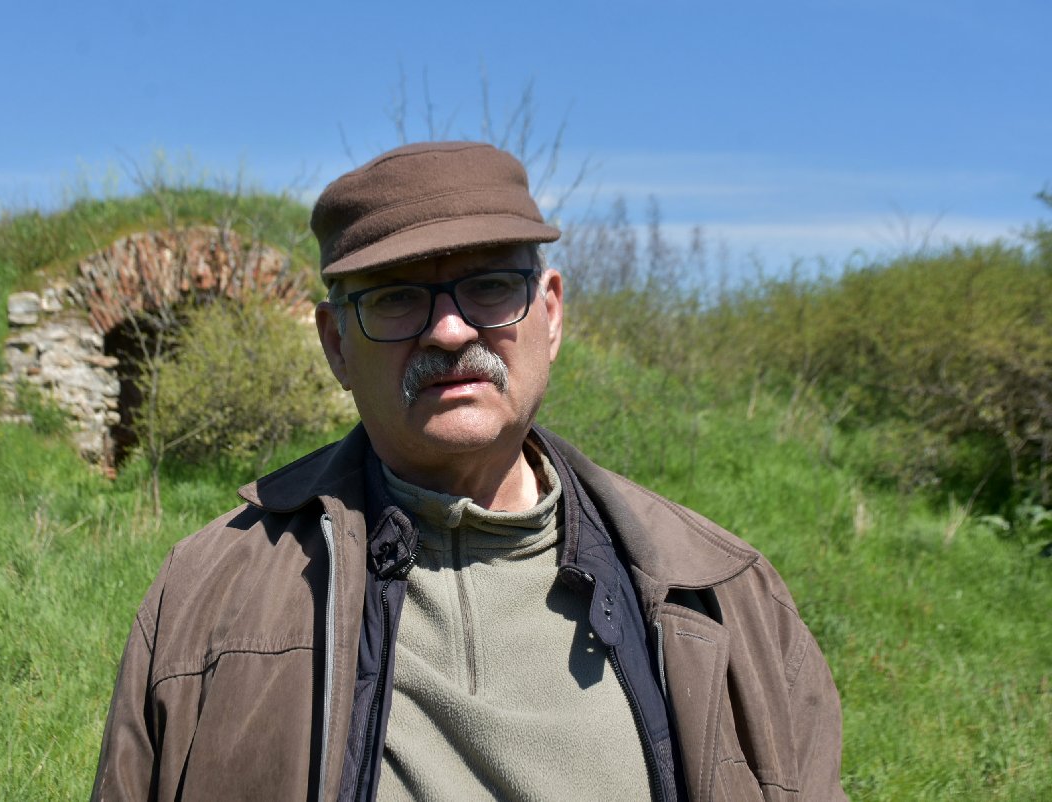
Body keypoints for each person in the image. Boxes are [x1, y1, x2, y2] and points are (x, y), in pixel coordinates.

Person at [91, 141, 846, 801]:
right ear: (336, 345)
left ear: (551, 313)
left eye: (489, 286)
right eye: (396, 298)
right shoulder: (205, 596)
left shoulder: (725, 596)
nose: (450, 330)